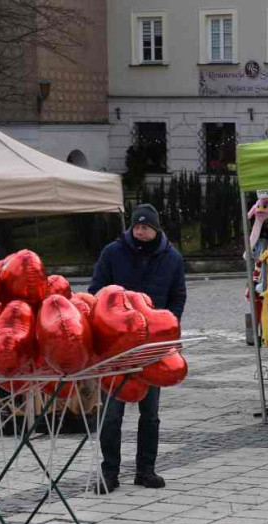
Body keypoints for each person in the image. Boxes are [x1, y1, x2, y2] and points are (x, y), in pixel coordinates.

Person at [89, 204, 186, 491]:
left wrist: (169, 326)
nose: (141, 231)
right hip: (115, 348)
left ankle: (146, 470)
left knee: (151, 413)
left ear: (156, 229)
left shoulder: (172, 257)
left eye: (146, 227)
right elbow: (95, 292)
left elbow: (178, 296)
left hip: (152, 348)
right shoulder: (112, 252)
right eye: (137, 226)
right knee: (112, 413)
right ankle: (109, 473)